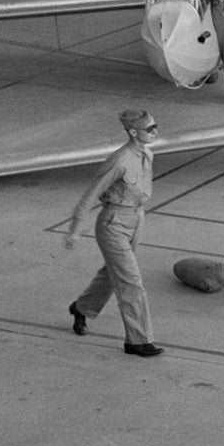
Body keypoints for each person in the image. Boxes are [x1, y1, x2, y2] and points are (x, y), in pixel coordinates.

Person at [63, 108, 163, 358]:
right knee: (132, 283)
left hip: (136, 218)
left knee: (113, 273)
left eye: (155, 126)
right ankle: (138, 340)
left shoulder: (147, 154)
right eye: (149, 129)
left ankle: (82, 308)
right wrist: (75, 230)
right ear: (132, 132)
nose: (155, 131)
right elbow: (90, 195)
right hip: (113, 223)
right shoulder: (120, 161)